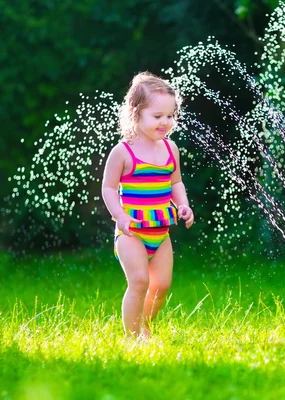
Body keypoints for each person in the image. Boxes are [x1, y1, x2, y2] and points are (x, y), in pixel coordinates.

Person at [102, 72, 194, 338]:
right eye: (157, 116)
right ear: (136, 113)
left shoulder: (170, 149)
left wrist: (183, 205)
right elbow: (108, 188)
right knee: (139, 281)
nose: (165, 122)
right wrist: (119, 216)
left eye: (170, 116)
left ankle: (145, 325)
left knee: (162, 285)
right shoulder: (123, 151)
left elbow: (175, 183)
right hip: (131, 232)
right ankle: (132, 339)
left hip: (160, 230)